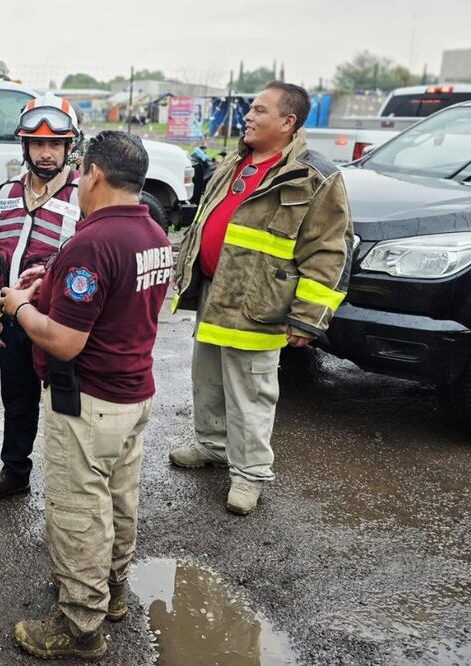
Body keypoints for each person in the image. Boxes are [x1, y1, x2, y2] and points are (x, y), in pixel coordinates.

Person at [0, 131, 172, 660]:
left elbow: (66, 341)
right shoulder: (153, 233)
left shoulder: (93, 242)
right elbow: (115, 303)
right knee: (119, 502)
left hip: (88, 401)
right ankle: (113, 593)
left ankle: (79, 626)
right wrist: (50, 280)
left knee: (78, 513)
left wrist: (17, 307)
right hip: (132, 394)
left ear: (92, 174)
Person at [170, 82, 353, 515]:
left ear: (288, 122)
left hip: (260, 304)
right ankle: (212, 446)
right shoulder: (235, 161)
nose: (248, 117)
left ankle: (249, 474)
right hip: (217, 292)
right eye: (250, 110)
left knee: (251, 392)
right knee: (208, 380)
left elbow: (329, 250)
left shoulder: (316, 175)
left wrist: (309, 317)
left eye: (259, 111)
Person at [0, 93, 83, 504]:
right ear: (25, 146)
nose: (46, 153)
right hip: (11, 324)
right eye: (37, 144)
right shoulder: (5, 192)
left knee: (69, 408)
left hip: (59, 326)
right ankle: (15, 472)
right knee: (17, 404)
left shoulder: (83, 196)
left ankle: (72, 487)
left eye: (55, 144)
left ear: (70, 147)